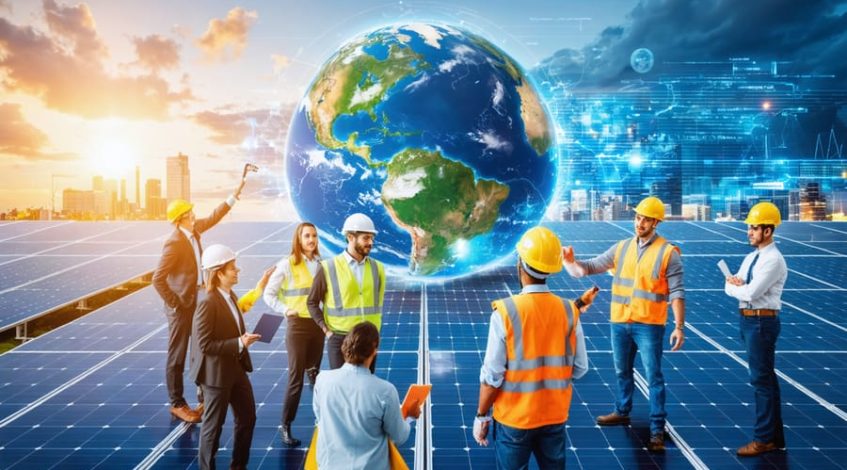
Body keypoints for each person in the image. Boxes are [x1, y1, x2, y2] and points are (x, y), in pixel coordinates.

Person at [562, 196, 685, 452]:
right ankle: (622, 410)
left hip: (649, 324)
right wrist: (571, 262)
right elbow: (589, 267)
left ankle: (656, 430)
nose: (640, 223)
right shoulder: (622, 248)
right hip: (620, 321)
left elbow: (677, 293)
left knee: (653, 377)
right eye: (638, 217)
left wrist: (679, 326)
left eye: (646, 219)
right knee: (622, 371)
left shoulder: (668, 253)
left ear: (656, 223)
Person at [473, 226, 595, 469]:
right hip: (554, 417)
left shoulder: (505, 312)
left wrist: (481, 416)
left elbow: (492, 376)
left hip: (515, 420)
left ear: (521, 264)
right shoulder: (569, 310)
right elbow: (580, 368)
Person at [152, 173, 247, 423]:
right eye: (190, 213)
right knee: (177, 355)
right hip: (181, 307)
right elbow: (157, 279)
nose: (194, 215)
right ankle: (177, 403)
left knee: (199, 348)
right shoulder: (173, 242)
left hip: (197, 300)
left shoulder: (194, 232)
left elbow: (215, 216)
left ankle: (202, 394)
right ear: (181, 218)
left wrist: (234, 196)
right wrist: (176, 303)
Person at [724, 202, 787, 457]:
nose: (749, 232)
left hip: (762, 323)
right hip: (748, 320)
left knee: (761, 381)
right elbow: (730, 285)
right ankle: (774, 438)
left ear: (768, 231)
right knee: (766, 380)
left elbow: (749, 291)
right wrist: (737, 287)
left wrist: (738, 288)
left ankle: (763, 439)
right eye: (749, 227)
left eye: (753, 228)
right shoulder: (752, 257)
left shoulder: (773, 260)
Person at [312, 321, 420, 470]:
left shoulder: (322, 380)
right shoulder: (385, 391)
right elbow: (399, 436)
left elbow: (320, 418)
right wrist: (409, 415)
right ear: (374, 350)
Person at [190, 244, 260, 470]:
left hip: (236, 370)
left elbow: (229, 330)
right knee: (213, 429)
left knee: (248, 418)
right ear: (219, 272)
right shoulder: (208, 303)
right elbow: (205, 344)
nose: (237, 270)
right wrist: (239, 343)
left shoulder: (230, 296)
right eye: (233, 267)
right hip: (216, 377)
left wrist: (243, 339)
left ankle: (238, 466)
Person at [263, 222, 324, 447]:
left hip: (317, 326)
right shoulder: (286, 265)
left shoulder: (320, 264)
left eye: (314, 235)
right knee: (295, 378)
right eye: (307, 235)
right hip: (297, 327)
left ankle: (324, 421)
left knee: (316, 376)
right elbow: (269, 295)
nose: (311, 239)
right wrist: (284, 309)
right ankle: (286, 425)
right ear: (298, 240)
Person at [307, 213, 385, 372]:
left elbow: (377, 304)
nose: (370, 243)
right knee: (342, 389)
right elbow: (312, 302)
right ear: (350, 237)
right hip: (340, 339)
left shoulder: (379, 269)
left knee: (365, 388)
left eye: (371, 238)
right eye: (366, 238)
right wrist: (327, 331)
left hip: (368, 339)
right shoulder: (328, 267)